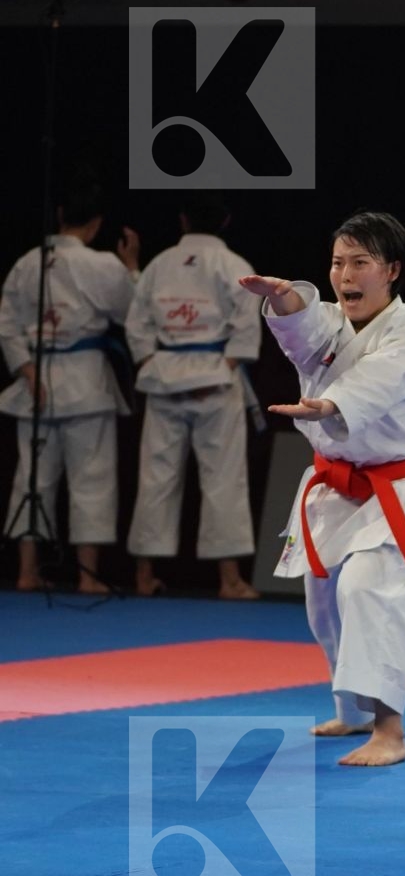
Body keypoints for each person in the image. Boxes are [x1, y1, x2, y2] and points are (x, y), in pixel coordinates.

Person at [242, 211, 405, 767]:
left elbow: (377, 384)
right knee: (324, 605)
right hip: (332, 486)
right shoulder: (332, 322)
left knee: (368, 591)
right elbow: (301, 333)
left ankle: (390, 729)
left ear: (392, 271)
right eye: (337, 263)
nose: (345, 274)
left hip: (391, 489)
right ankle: (352, 708)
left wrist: (331, 404)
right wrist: (284, 299)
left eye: (360, 262)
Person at [0, 179, 140, 591]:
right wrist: (131, 269)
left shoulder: (28, 263)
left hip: (37, 378)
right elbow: (131, 311)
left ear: (61, 215)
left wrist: (27, 371)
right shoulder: (102, 265)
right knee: (91, 479)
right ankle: (87, 576)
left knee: (32, 477)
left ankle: (26, 572)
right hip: (85, 381)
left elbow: (6, 324)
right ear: (96, 224)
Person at [125, 192, 262, 599]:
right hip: (215, 381)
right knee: (223, 479)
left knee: (156, 477)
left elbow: (138, 324)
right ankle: (229, 580)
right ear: (226, 221)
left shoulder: (159, 264)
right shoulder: (235, 266)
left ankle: (144, 575)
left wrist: (155, 365)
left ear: (183, 220)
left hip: (165, 377)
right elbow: (245, 330)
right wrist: (222, 369)